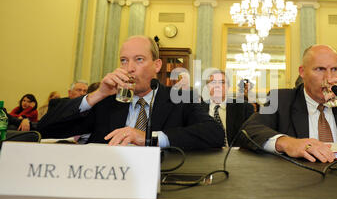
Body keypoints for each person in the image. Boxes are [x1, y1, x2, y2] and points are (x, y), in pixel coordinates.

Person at [39, 36, 224, 149]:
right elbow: (45, 128)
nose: (130, 68)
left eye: (139, 59)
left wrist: (150, 139)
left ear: (157, 65)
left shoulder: (181, 98)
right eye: (124, 61)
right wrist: (97, 95)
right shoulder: (106, 100)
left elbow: (214, 134)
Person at [203, 70, 254, 147]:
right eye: (213, 82)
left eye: (222, 82)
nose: (217, 86)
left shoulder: (244, 108)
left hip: (234, 155)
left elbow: (250, 136)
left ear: (228, 87)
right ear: (207, 86)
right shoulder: (198, 109)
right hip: (205, 154)